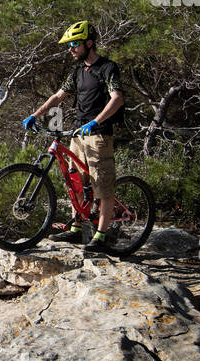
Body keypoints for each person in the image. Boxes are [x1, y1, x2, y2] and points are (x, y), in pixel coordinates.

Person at [20, 20, 125, 253]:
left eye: (74, 44)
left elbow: (117, 98)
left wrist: (96, 121)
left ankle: (101, 235)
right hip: (78, 133)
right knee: (75, 181)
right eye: (69, 45)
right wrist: (35, 115)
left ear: (89, 43)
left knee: (102, 185)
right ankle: (76, 228)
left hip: (98, 134)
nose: (70, 49)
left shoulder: (108, 68)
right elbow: (58, 96)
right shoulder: (78, 70)